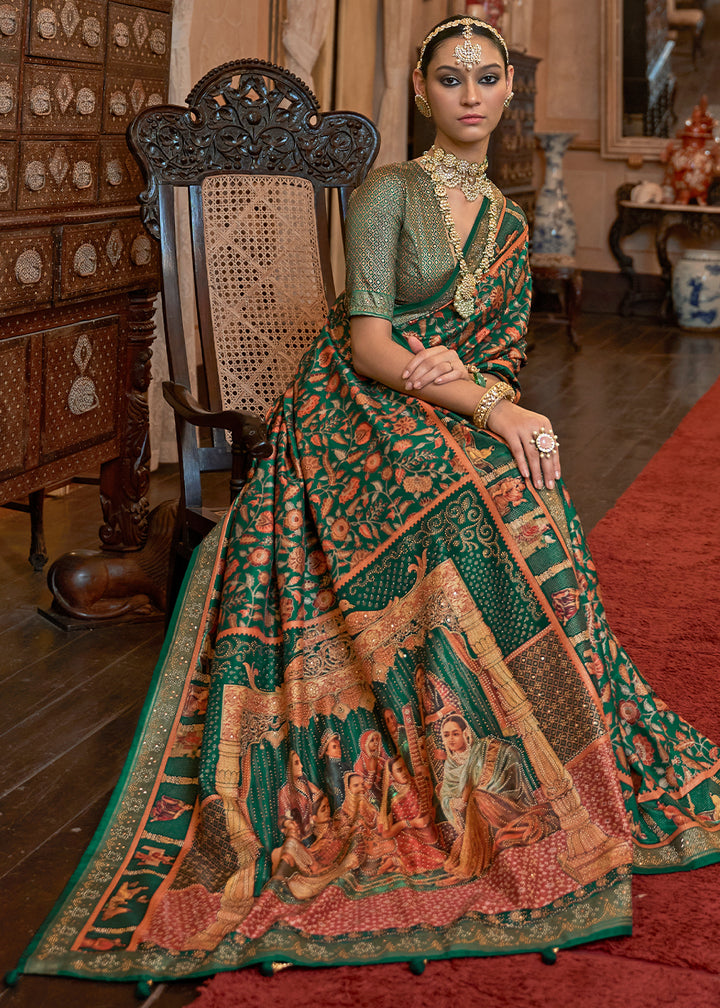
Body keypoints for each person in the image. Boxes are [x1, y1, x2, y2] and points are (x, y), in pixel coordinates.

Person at [16, 15, 720, 987]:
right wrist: (477, 399)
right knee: (464, 509)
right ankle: (461, 771)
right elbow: (369, 344)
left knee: (531, 503)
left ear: (507, 91)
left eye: (486, 77)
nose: (470, 93)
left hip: (450, 398)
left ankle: (550, 762)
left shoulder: (512, 227)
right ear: (424, 93)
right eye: (449, 77)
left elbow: (503, 357)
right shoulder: (390, 190)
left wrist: (492, 399)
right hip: (354, 409)